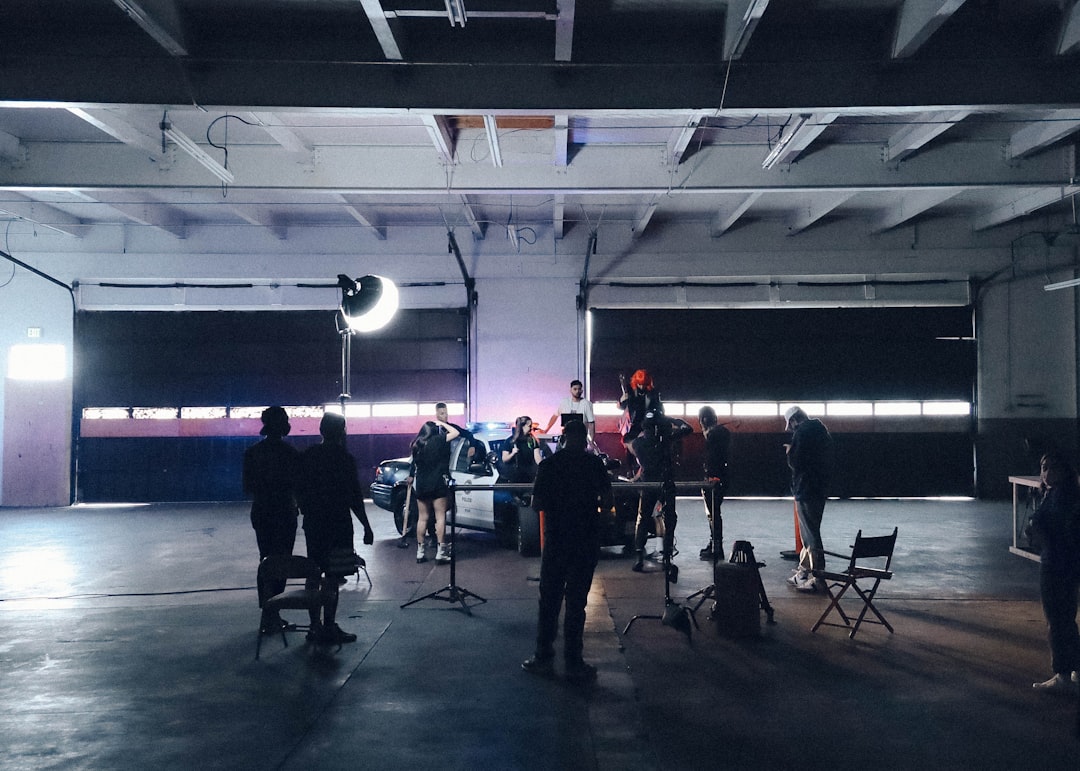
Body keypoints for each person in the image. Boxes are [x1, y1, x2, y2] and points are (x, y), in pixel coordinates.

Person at [522, 419, 613, 684]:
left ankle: (543, 657)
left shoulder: (549, 465)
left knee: (549, 601)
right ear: (584, 438)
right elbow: (608, 502)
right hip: (585, 542)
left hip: (556, 542)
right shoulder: (594, 464)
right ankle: (574, 662)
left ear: (563, 438)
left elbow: (537, 503)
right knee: (577, 603)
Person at [296, 412, 375, 645]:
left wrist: (305, 509)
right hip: (338, 525)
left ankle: (314, 626)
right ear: (342, 431)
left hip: (314, 524)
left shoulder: (308, 456)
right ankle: (329, 626)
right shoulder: (344, 459)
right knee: (332, 577)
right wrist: (366, 526)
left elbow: (298, 488)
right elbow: (354, 497)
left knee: (313, 573)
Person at [242, 405, 300, 633]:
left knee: (265, 561)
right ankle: (273, 613)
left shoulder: (252, 453)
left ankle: (268, 613)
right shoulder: (290, 454)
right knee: (281, 562)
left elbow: (247, 487)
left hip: (262, 512)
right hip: (284, 513)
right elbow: (298, 485)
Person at [1029, 450, 1080, 691]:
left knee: (1057, 621)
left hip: (1056, 564)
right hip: (1065, 563)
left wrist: (1036, 529)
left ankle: (1062, 675)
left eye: (1052, 467)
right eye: (1043, 467)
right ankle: (1075, 671)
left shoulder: (1062, 497)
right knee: (1066, 619)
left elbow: (1057, 531)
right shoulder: (1058, 493)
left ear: (1064, 470)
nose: (1046, 473)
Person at [629, 412, 692, 583]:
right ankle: (667, 556)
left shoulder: (637, 443)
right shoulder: (666, 440)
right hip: (665, 482)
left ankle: (639, 556)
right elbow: (688, 428)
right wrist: (670, 419)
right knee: (670, 518)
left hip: (648, 484)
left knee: (642, 518)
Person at [783, 406, 833, 593]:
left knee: (811, 535)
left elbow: (796, 463)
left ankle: (818, 578)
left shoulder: (802, 433)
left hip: (806, 489)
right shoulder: (821, 431)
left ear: (795, 419)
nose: (791, 428)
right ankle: (804, 571)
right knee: (809, 532)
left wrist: (790, 452)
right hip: (820, 488)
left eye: (791, 424)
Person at [409, 417, 460, 564]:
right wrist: (442, 423)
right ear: (434, 431)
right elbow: (455, 432)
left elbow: (415, 465)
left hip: (422, 485)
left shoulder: (416, 444)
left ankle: (420, 552)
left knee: (422, 518)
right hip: (438, 483)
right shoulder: (439, 440)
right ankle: (441, 552)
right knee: (440, 517)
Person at [697, 406, 731, 562]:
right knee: (714, 513)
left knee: (713, 514)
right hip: (720, 477)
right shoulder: (722, 433)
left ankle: (716, 546)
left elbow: (713, 458)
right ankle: (715, 544)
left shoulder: (714, 435)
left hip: (714, 479)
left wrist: (712, 475)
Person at [617, 369, 663, 471]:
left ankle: (645, 466)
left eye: (644, 384)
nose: (642, 387)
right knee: (628, 442)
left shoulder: (652, 392)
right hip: (633, 423)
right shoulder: (629, 389)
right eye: (639, 384)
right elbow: (621, 406)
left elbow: (659, 407)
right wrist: (621, 400)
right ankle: (631, 469)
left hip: (647, 423)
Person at [500, 416, 543, 484]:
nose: (531, 428)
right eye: (529, 426)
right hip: (514, 477)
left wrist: (543, 466)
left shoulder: (532, 441)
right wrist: (513, 453)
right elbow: (504, 459)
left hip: (529, 475)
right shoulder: (510, 441)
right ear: (522, 426)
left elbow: (537, 456)